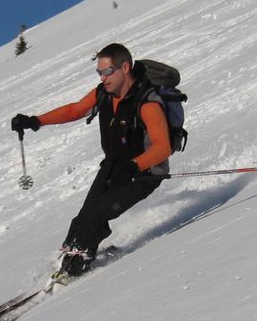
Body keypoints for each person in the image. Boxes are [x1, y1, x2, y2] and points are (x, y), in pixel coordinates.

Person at [11, 42, 172, 281]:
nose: (102, 77)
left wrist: (134, 165)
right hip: (113, 166)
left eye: (107, 71)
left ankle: (78, 263)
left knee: (97, 214)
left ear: (125, 68)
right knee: (83, 217)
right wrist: (36, 121)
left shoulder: (146, 101)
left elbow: (163, 146)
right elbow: (75, 110)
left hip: (143, 173)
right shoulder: (103, 93)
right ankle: (66, 257)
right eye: (99, 71)